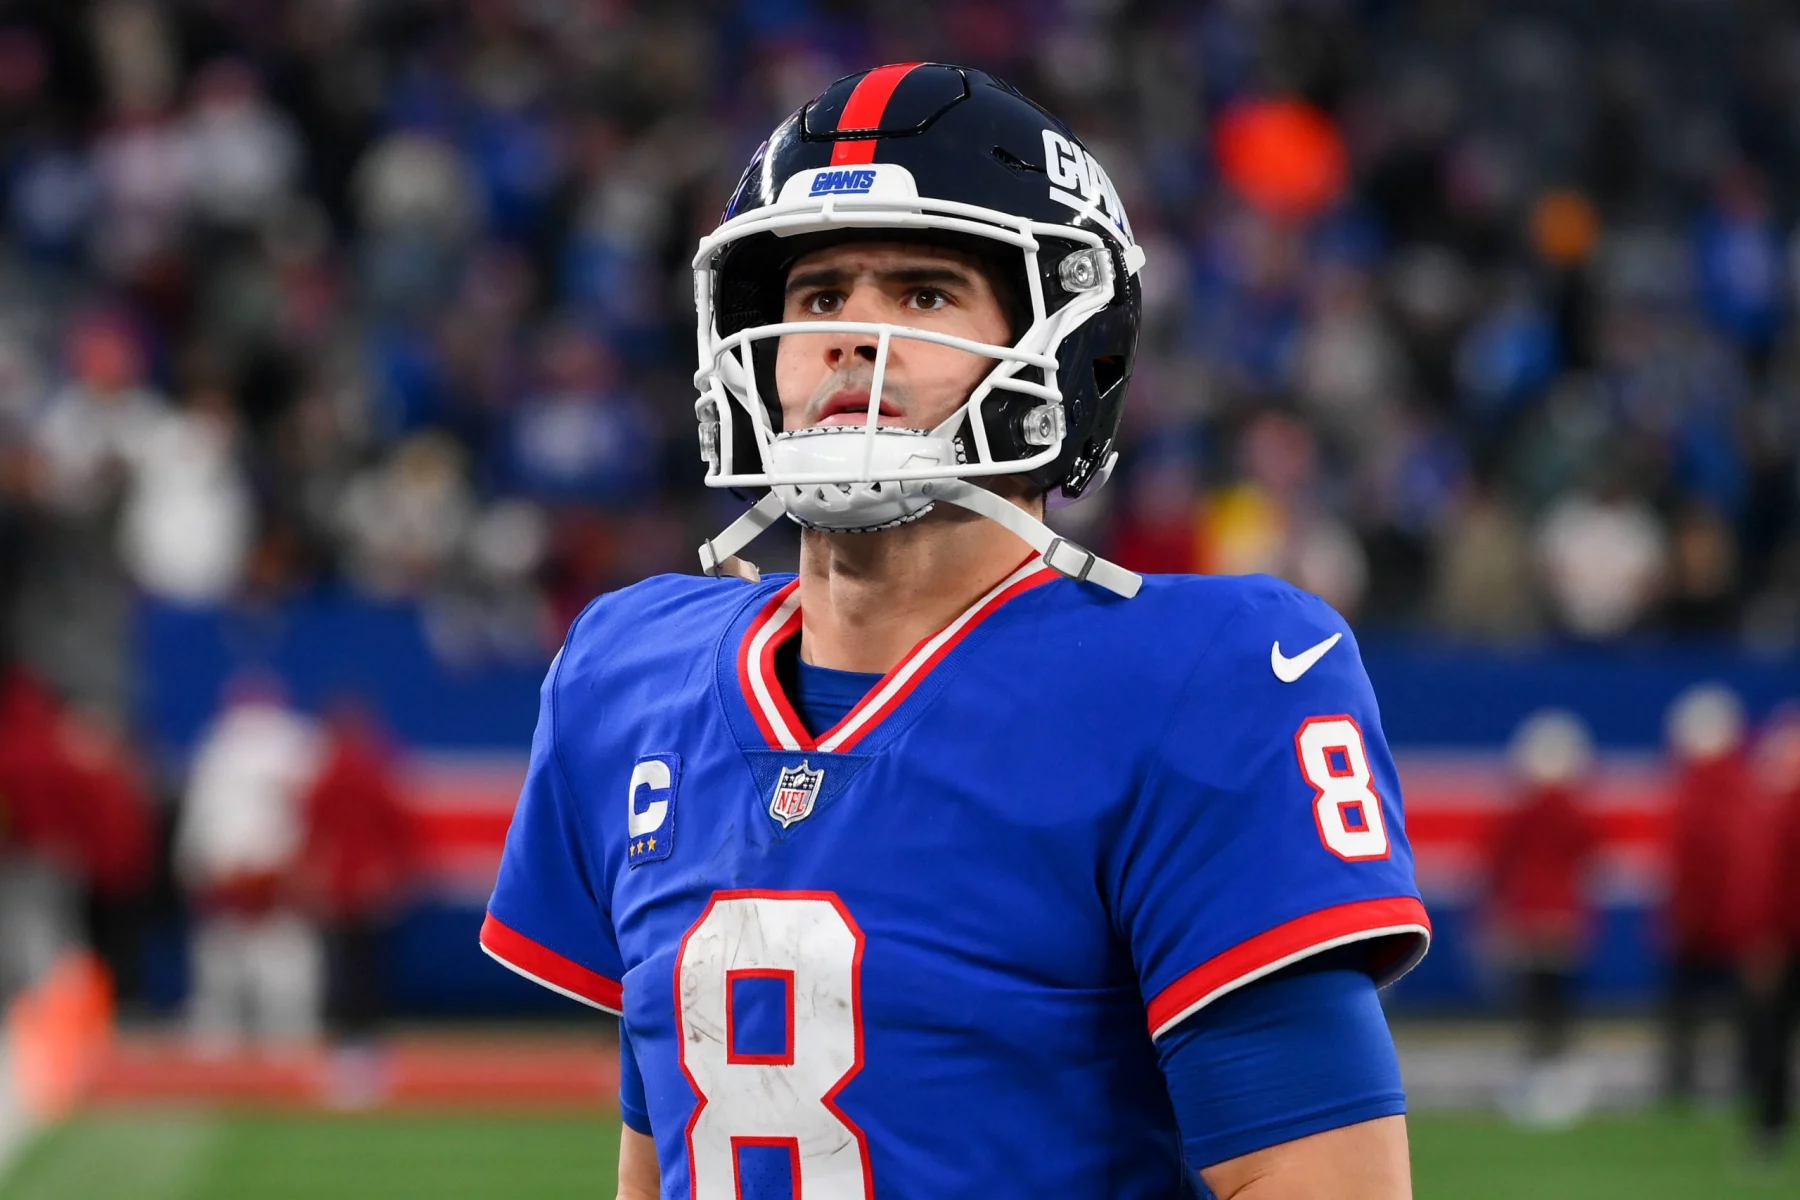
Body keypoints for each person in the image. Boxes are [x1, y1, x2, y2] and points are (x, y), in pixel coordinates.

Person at [482, 64, 1429, 1200]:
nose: (850, 338)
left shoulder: (1201, 678)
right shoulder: (628, 671)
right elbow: (665, 1155)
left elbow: (1311, 1177)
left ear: (1068, 354)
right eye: (820, 297)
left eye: (924, 294)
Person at [174, 674, 324, 1054]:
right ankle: (278, 1045)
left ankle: (241, 1047)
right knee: (266, 964)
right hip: (260, 869)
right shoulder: (297, 743)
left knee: (243, 964)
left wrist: (195, 865)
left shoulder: (226, 744)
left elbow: (201, 819)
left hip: (248, 869)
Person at [1487, 709, 1600, 1126]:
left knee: (1533, 1005)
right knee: (1561, 1006)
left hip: (1527, 921)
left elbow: (1496, 861)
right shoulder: (1574, 808)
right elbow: (1591, 855)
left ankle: (1535, 1083)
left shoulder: (1522, 808)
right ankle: (1562, 1085)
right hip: (1564, 922)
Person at [1661, 683, 1757, 1105]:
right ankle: (1746, 1084)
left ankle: (1682, 1085)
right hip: (1740, 923)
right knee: (1745, 1015)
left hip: (1702, 923)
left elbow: (1695, 864)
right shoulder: (1745, 787)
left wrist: (1688, 918)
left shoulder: (1696, 791)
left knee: (1687, 1016)